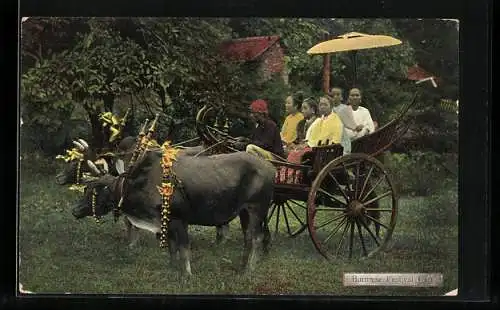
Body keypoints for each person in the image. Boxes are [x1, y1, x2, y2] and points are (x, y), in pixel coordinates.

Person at [328, 87, 362, 154]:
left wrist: (355, 127)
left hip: (343, 133)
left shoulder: (345, 108)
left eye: (338, 95)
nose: (335, 97)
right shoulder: (329, 109)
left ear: (341, 97)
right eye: (333, 95)